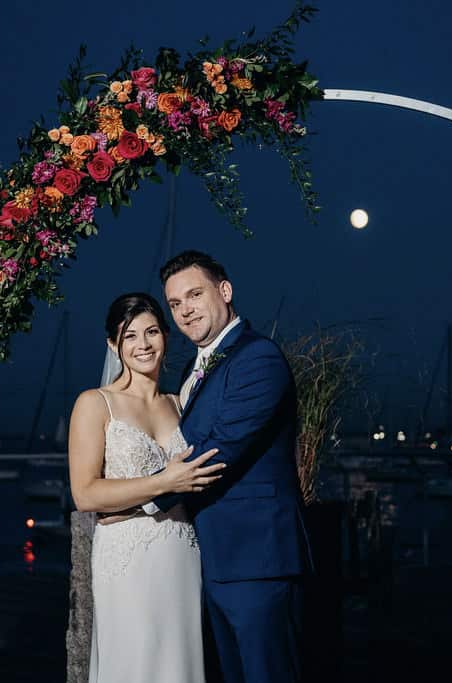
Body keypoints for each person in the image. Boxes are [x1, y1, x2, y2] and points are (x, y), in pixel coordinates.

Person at [147, 250, 313, 683]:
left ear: (225, 290)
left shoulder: (258, 358)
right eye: (175, 304)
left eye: (194, 295)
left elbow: (219, 451)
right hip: (215, 561)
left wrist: (141, 501)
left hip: (257, 560)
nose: (185, 310)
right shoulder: (192, 369)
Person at [68, 292, 225, 683]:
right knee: (133, 662)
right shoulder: (95, 404)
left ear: (166, 337)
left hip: (181, 551)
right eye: (130, 336)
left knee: (179, 663)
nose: (143, 345)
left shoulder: (180, 403)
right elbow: (85, 493)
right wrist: (163, 482)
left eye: (152, 332)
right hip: (126, 556)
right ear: (113, 345)